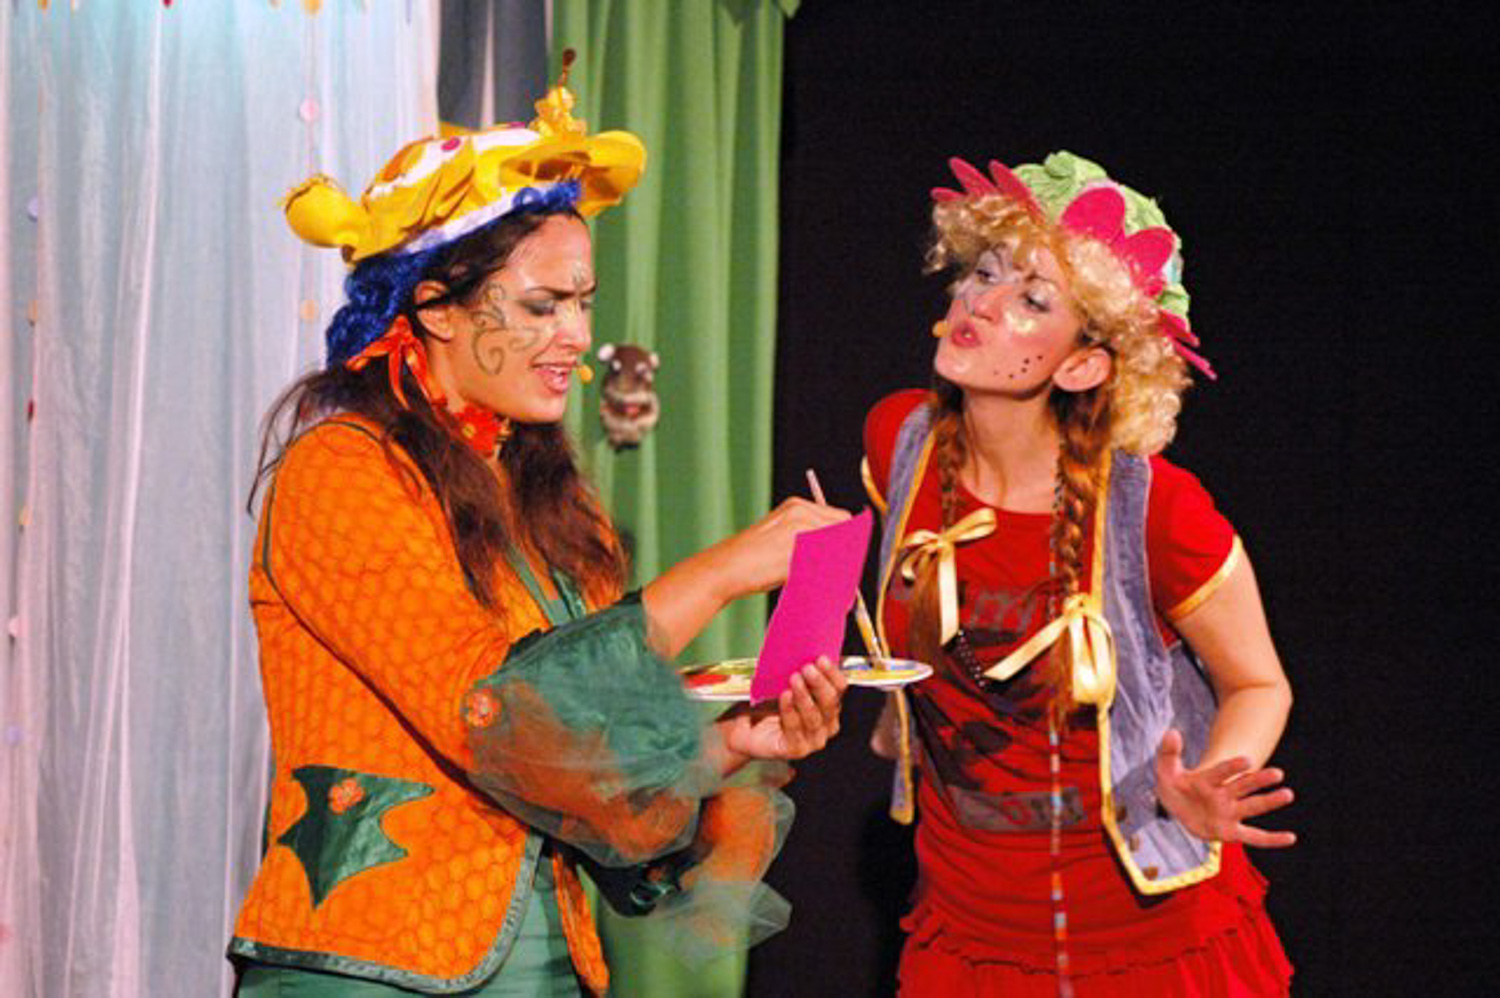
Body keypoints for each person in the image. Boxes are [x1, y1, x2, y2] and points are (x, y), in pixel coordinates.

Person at [228, 68, 849, 996]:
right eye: (542, 305)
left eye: (583, 303)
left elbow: (580, 770)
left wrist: (730, 745)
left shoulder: (554, 504)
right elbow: (492, 710)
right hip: (367, 965)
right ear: (434, 307)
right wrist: (720, 573)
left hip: (551, 970)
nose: (576, 336)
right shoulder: (344, 470)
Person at [863, 152, 1295, 996]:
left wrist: (1211, 779)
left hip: (1147, 939)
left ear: (1083, 364)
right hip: (969, 934)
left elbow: (1259, 682)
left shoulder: (1157, 510)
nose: (984, 302)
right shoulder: (897, 441)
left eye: (1033, 300)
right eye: (984, 273)